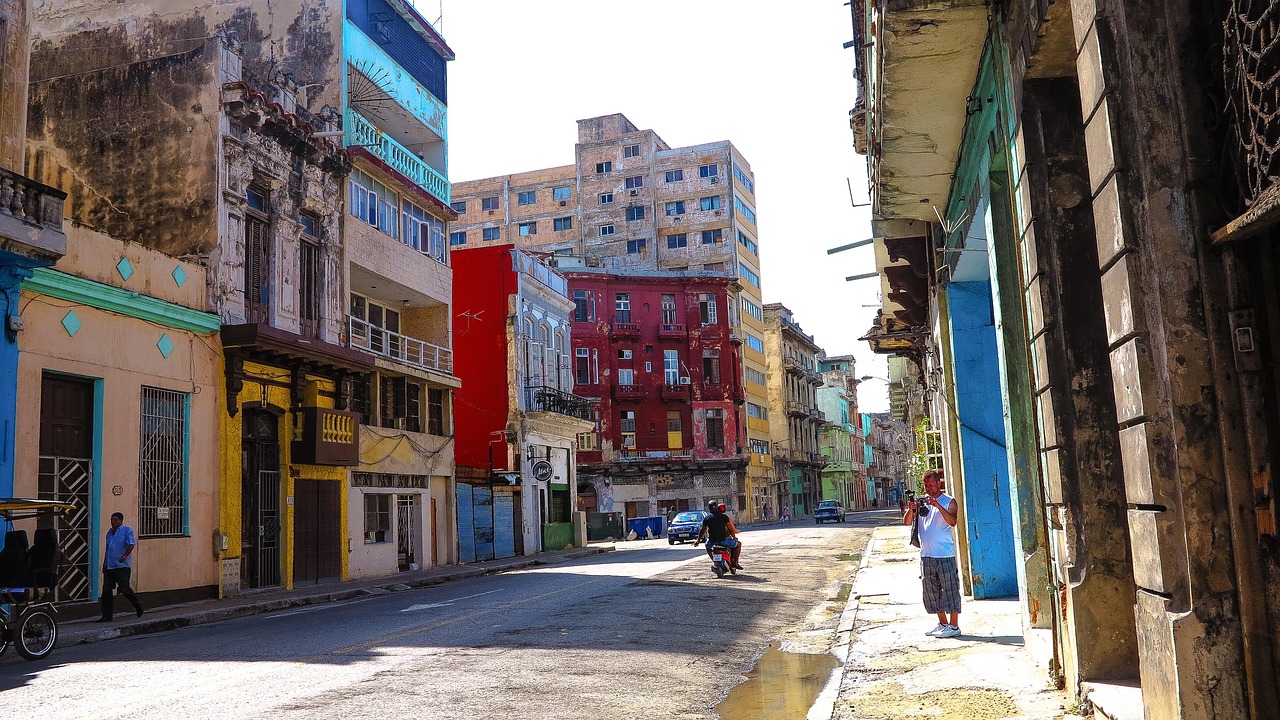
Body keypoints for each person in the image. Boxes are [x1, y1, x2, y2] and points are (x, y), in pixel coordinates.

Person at [903, 469, 961, 638]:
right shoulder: (922, 503)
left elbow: (953, 521)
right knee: (931, 591)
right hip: (926, 555)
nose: (928, 487)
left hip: (944, 554)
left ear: (939, 483)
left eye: (930, 484)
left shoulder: (949, 501)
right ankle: (942, 623)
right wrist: (911, 509)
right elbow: (907, 522)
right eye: (925, 484)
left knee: (950, 589)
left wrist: (937, 505)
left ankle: (954, 625)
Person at [97, 512, 144, 622]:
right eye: (111, 520)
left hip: (122, 567)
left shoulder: (127, 531)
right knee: (106, 591)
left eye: (115, 520)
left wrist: (125, 555)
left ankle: (137, 605)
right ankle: (107, 615)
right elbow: (108, 550)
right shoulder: (109, 533)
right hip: (110, 566)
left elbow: (131, 544)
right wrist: (105, 564)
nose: (113, 522)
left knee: (124, 589)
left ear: (120, 521)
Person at [695, 501, 743, 569]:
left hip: (712, 542)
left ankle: (714, 561)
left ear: (709, 508)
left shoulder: (707, 518)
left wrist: (698, 540)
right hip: (723, 541)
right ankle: (735, 563)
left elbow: (702, 530)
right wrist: (734, 537)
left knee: (707, 546)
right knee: (738, 544)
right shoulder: (724, 517)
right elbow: (730, 529)